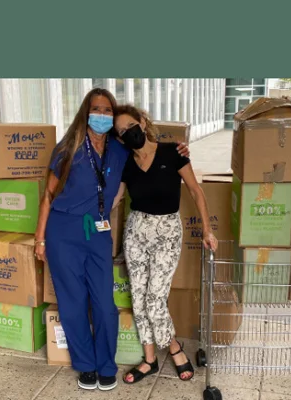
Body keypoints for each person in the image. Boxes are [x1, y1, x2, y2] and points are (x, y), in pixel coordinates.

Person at [34, 89, 189, 392]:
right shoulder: (68, 148)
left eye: (107, 111)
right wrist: (40, 238)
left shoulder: (119, 150)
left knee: (104, 304)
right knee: (73, 303)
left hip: (98, 233)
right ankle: (86, 365)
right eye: (97, 109)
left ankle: (106, 365)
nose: (102, 116)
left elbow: (150, 153)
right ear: (85, 112)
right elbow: (49, 195)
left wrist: (180, 149)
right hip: (63, 232)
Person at [112, 104, 218, 385]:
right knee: (138, 297)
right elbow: (118, 199)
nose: (127, 133)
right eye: (121, 132)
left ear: (143, 123)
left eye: (130, 126)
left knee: (154, 298)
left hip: (167, 231)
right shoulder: (125, 163)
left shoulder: (173, 152)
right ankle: (150, 359)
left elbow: (196, 191)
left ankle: (174, 348)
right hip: (136, 231)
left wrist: (207, 230)